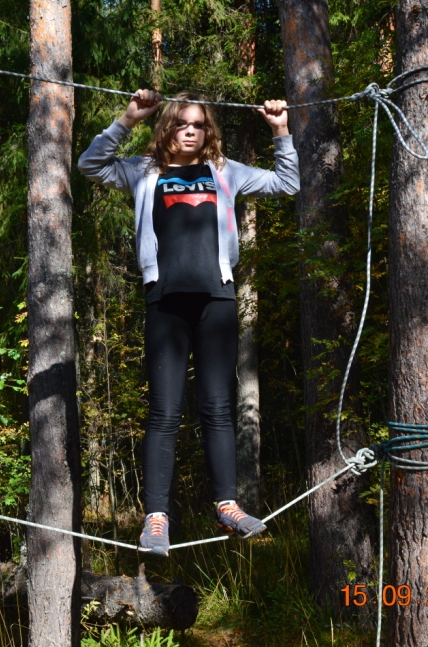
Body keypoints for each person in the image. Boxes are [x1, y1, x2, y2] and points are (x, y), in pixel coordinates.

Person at [77, 89, 300, 556]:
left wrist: (280, 130)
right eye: (182, 123)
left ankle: (227, 505)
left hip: (216, 298)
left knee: (217, 407)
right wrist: (128, 118)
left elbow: (287, 183)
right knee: (165, 411)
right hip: (164, 300)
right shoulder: (144, 171)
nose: (191, 131)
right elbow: (91, 164)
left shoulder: (225, 171)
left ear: (208, 130)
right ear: (168, 128)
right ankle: (156, 518)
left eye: (199, 124)